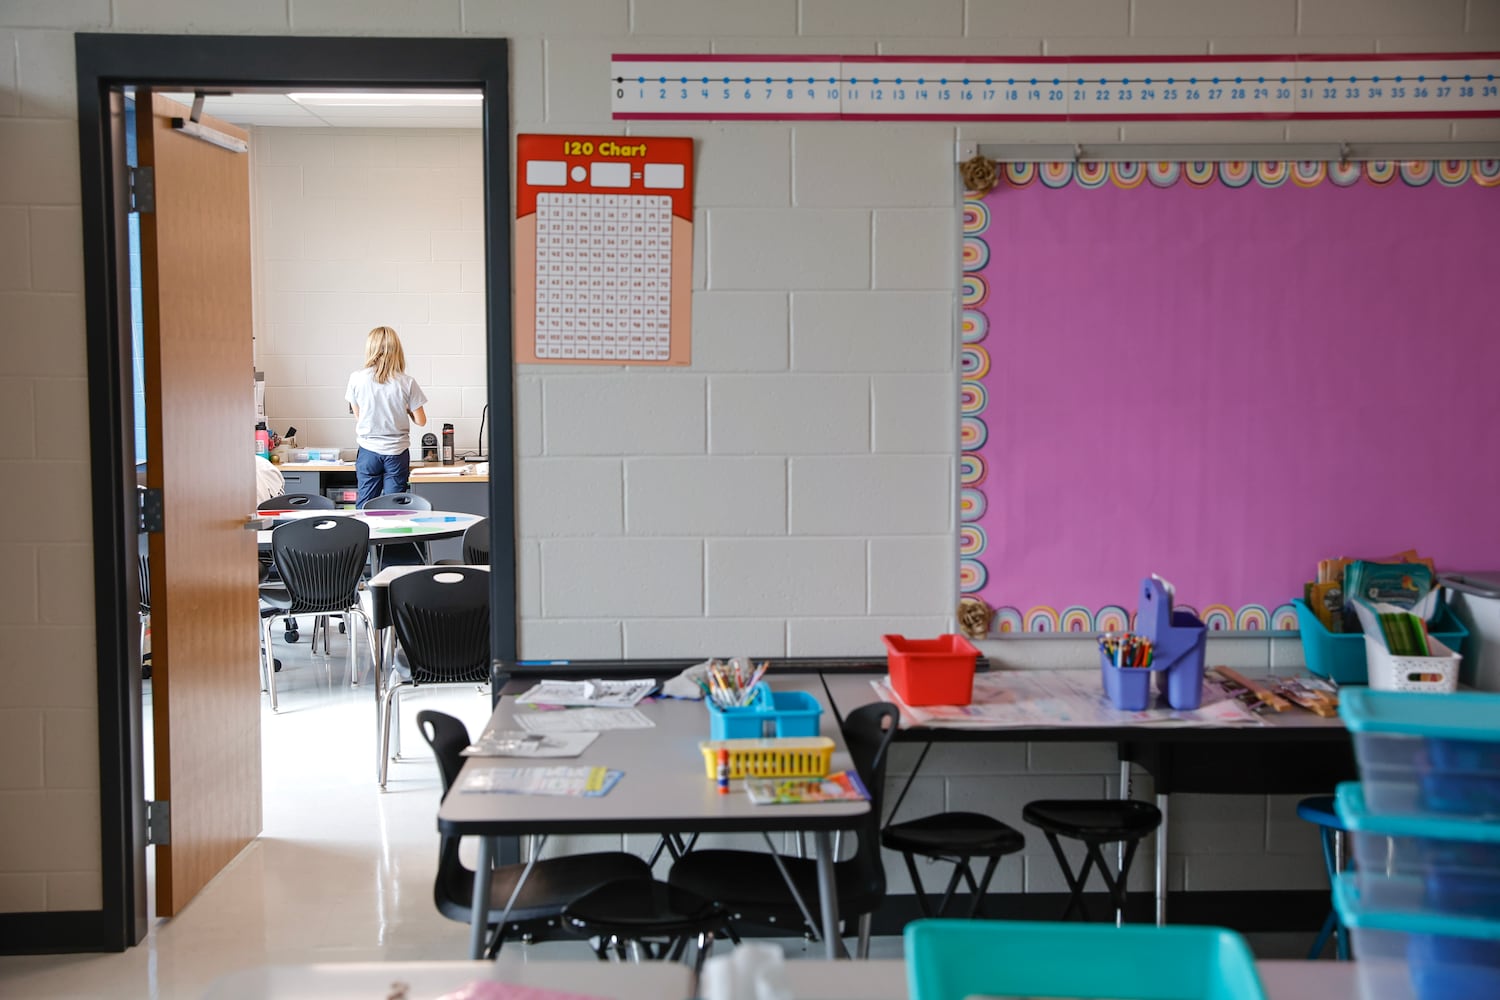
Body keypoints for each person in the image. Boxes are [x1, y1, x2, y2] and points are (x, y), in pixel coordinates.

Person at [345, 325, 428, 508]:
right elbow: (421, 421)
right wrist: (404, 409)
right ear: (396, 350)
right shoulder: (407, 382)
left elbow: (359, 417)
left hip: (368, 451)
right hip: (396, 453)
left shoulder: (356, 379)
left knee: (365, 506)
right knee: (394, 508)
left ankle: (364, 537)